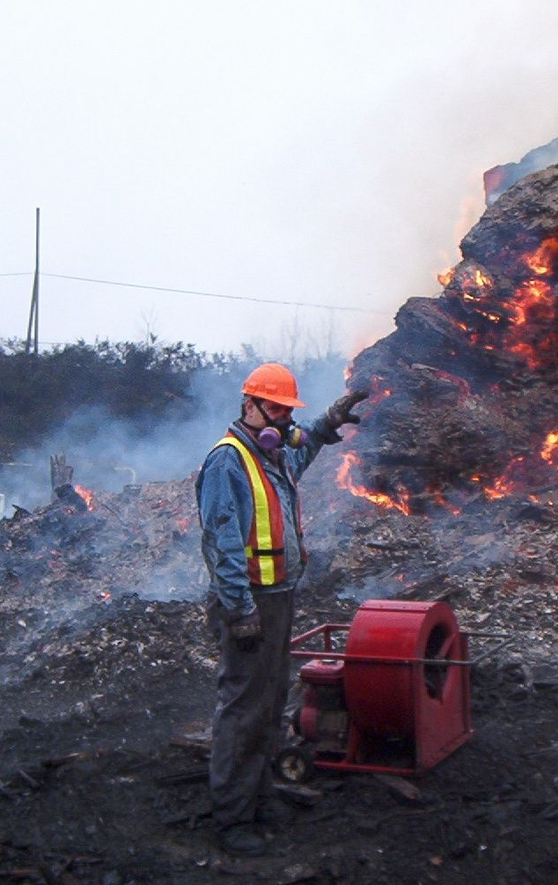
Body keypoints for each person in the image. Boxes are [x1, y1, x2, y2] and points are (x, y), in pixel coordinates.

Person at [196, 362, 367, 857]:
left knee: (271, 705)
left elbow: (305, 450)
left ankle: (260, 795)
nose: (283, 420)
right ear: (248, 404)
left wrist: (328, 422)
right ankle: (231, 818)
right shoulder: (229, 462)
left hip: (278, 597)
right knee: (243, 710)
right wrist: (239, 609)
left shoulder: (270, 457)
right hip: (250, 604)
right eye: (274, 409)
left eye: (288, 412)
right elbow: (221, 543)